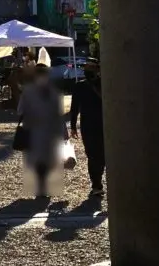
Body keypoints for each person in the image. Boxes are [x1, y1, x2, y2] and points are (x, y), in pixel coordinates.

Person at [15, 63, 67, 200]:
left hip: (34, 129)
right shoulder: (54, 92)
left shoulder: (28, 92)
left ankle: (41, 187)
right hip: (49, 130)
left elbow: (20, 110)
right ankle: (43, 186)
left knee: (38, 160)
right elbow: (59, 114)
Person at [69, 60, 104, 197]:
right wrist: (72, 126)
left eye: (90, 68)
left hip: (103, 125)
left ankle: (98, 181)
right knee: (92, 155)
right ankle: (96, 184)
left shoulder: (104, 84)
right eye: (85, 68)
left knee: (101, 155)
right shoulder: (80, 86)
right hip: (88, 126)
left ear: (97, 69)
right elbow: (74, 108)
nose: (87, 70)